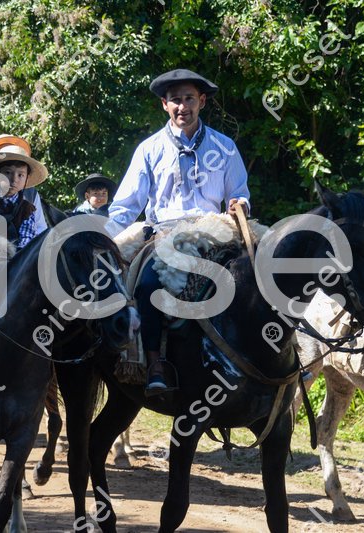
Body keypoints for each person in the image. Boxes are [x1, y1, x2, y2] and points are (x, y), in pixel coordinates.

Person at [105, 68, 251, 394]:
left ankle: (268, 358)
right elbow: (126, 205)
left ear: (202, 101)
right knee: (147, 285)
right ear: (164, 104)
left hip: (215, 232)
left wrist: (239, 204)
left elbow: (239, 192)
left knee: (255, 276)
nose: (182, 107)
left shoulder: (225, 147)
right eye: (175, 100)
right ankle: (154, 363)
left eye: (189, 99)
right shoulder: (149, 149)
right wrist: (107, 236)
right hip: (164, 235)